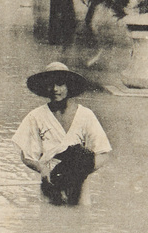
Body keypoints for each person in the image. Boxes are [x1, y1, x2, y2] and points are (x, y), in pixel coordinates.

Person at [11, 62, 111, 205]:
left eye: (60, 84)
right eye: (50, 84)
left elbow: (104, 153)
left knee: (80, 219)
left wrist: (79, 170)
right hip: (51, 180)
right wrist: (42, 168)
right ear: (44, 87)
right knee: (50, 219)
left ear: (68, 86)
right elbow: (26, 156)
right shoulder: (36, 116)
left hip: (79, 180)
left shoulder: (85, 115)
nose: (55, 89)